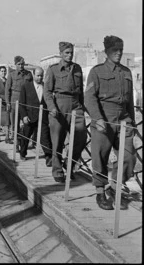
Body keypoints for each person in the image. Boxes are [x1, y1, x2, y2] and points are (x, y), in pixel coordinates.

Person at [85, 35, 136, 210]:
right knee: (100, 156)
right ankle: (100, 192)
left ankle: (115, 188)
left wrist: (133, 122)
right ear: (106, 52)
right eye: (115, 50)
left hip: (123, 119)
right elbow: (89, 98)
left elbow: (129, 101)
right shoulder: (97, 71)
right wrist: (97, 118)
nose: (118, 53)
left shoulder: (126, 72)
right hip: (103, 118)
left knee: (128, 156)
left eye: (120, 50)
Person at [44, 42, 87, 183]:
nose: (69, 55)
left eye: (71, 52)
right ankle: (57, 170)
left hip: (75, 105)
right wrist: (52, 107)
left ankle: (69, 164)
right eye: (67, 52)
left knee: (81, 137)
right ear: (61, 53)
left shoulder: (77, 68)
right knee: (58, 140)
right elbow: (47, 92)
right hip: (59, 105)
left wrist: (83, 106)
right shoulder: (53, 69)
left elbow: (80, 91)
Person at [19, 67, 52, 163]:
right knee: (26, 136)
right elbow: (22, 103)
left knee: (45, 137)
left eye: (41, 75)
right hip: (30, 117)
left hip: (43, 118)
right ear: (33, 75)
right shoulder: (25, 86)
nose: (40, 78)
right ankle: (23, 153)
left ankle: (48, 156)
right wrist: (24, 116)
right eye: (38, 75)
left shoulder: (46, 87)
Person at [5, 56, 33, 151]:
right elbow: (7, 90)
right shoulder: (11, 75)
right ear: (15, 64)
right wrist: (8, 103)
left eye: (22, 64)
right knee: (14, 124)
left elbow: (32, 88)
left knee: (26, 124)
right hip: (14, 101)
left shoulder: (28, 74)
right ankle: (16, 143)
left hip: (26, 102)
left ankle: (23, 143)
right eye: (19, 64)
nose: (21, 66)